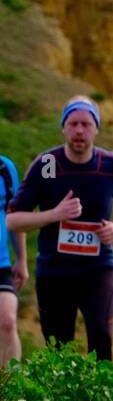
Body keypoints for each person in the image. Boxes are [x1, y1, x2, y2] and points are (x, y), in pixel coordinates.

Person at [4, 96, 113, 363]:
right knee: (58, 346)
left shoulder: (111, 165)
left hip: (98, 267)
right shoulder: (48, 165)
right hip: (55, 270)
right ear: (64, 128)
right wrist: (55, 214)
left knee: (101, 335)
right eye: (74, 124)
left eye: (86, 124)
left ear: (96, 129)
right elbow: (13, 219)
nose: (79, 131)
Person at [0, 153, 27, 367]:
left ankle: (10, 390)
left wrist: (22, 260)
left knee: (7, 321)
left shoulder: (5, 168)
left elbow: (16, 217)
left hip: (2, 262)